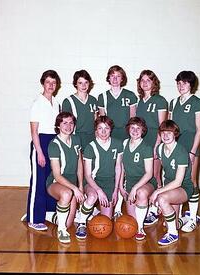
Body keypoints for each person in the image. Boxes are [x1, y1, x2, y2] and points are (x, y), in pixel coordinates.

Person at [23, 70, 61, 231]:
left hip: (53, 142)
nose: (51, 85)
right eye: (48, 82)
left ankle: (49, 212)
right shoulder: (37, 103)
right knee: (39, 181)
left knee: (50, 180)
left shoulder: (56, 103)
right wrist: (39, 152)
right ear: (43, 83)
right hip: (41, 143)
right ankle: (34, 217)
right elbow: (34, 131)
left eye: (54, 82)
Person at [98, 65, 137, 218]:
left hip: (126, 136)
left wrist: (132, 137)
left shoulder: (130, 95)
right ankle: (112, 200)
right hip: (111, 137)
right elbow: (102, 120)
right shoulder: (103, 97)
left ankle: (120, 203)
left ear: (122, 78)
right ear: (108, 78)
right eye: (112, 76)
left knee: (125, 169)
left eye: (118, 76)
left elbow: (133, 119)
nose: (115, 79)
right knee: (113, 168)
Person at [75, 116, 123, 239]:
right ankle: (81, 221)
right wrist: (99, 190)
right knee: (93, 196)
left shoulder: (118, 144)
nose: (103, 132)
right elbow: (88, 175)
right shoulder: (90, 147)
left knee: (106, 222)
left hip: (110, 183)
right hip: (93, 182)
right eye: (100, 128)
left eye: (106, 128)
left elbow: (118, 167)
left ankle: (90, 211)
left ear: (111, 129)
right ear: (95, 130)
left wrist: (116, 190)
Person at [169, 71, 200, 232]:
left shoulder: (197, 103)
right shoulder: (173, 103)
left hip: (190, 148)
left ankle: (192, 218)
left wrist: (192, 152)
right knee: (177, 181)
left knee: (191, 181)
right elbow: (169, 129)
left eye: (184, 83)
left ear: (191, 85)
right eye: (178, 83)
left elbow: (199, 130)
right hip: (176, 149)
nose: (181, 86)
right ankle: (179, 216)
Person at [149, 120, 194, 246]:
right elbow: (164, 172)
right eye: (163, 132)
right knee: (170, 222)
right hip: (170, 187)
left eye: (169, 132)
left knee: (162, 199)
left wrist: (158, 191)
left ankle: (173, 234)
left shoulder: (181, 152)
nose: (166, 135)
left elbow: (178, 181)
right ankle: (188, 218)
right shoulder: (159, 149)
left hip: (183, 187)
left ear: (175, 134)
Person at [46, 112, 84, 243]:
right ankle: (61, 230)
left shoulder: (77, 139)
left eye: (71, 123)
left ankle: (48, 216)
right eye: (64, 123)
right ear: (58, 125)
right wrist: (75, 189)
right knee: (67, 194)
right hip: (56, 182)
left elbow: (79, 163)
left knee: (69, 222)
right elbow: (57, 175)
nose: (68, 126)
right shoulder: (54, 145)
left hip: (73, 184)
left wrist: (80, 186)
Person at [136, 69, 168, 225]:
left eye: (148, 80)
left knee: (155, 176)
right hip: (142, 144)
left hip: (154, 142)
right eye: (142, 80)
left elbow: (162, 126)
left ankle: (155, 209)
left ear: (154, 82)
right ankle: (147, 205)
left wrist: (157, 146)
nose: (145, 82)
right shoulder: (140, 101)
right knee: (145, 175)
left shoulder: (160, 101)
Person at [119, 117, 157, 241]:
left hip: (146, 182)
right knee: (132, 220)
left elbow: (149, 173)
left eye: (138, 128)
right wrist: (121, 186)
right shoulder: (124, 143)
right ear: (128, 129)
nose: (135, 131)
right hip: (129, 182)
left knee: (141, 193)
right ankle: (146, 209)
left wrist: (135, 188)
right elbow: (121, 167)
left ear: (143, 130)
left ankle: (141, 228)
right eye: (132, 128)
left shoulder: (146, 147)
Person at [62, 69, 98, 150]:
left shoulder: (93, 100)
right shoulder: (68, 101)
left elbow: (96, 121)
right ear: (75, 84)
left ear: (89, 83)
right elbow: (65, 124)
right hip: (76, 137)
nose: (83, 85)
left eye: (86, 82)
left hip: (91, 138)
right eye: (80, 83)